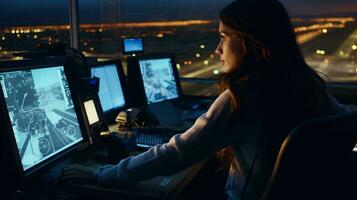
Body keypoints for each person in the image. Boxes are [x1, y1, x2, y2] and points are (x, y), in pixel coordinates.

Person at [62, 0, 354, 199]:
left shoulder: (244, 96)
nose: (217, 49)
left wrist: (102, 174)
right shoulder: (310, 87)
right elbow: (344, 120)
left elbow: (178, 153)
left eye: (224, 37)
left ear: (251, 42)